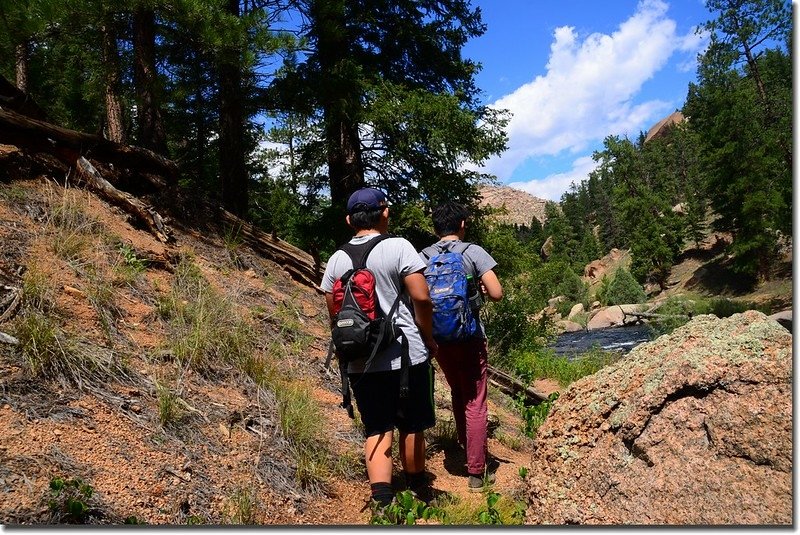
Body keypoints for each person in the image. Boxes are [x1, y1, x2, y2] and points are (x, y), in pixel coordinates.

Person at [320, 187, 439, 508]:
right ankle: (417, 489)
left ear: (348, 220)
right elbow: (422, 298)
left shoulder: (337, 258)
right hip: (406, 354)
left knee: (377, 427)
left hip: (360, 358)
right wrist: (428, 337)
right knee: (412, 425)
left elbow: (333, 306)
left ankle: (383, 503)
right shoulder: (399, 247)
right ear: (385, 213)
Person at [420, 202, 503, 491]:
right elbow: (497, 293)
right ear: (462, 224)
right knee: (475, 400)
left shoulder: (424, 256)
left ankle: (465, 445)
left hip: (439, 339)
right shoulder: (473, 252)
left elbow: (416, 299)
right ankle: (476, 472)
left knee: (458, 390)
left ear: (435, 227)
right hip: (470, 336)